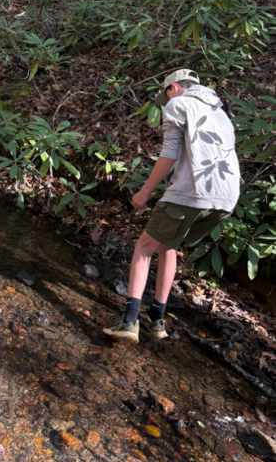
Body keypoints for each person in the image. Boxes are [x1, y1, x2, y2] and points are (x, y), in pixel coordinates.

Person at [103, 69, 240, 344]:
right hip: (226, 199)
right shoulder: (220, 113)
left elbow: (169, 153)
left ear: (174, 87)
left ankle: (129, 323)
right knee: (168, 246)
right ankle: (157, 321)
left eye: (165, 96)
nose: (164, 104)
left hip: (192, 195)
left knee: (144, 246)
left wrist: (145, 191)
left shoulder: (178, 103)